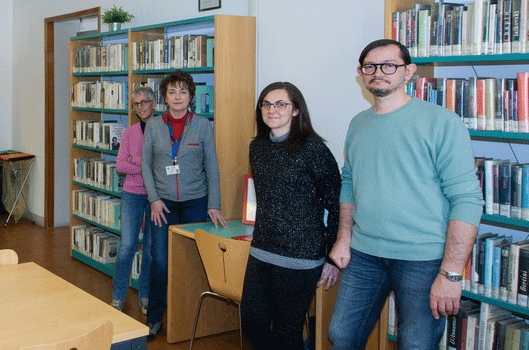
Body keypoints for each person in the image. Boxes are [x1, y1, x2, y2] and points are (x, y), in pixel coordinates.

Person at [327, 39, 484, 350]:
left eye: (389, 65)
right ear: (361, 73)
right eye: (370, 66)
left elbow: (467, 200)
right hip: (364, 253)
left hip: (422, 258)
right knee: (341, 335)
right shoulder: (358, 124)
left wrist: (451, 274)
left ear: (408, 72)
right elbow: (349, 184)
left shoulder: (442, 122)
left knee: (416, 344)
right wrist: (344, 237)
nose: (379, 72)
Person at [240, 82, 341, 350]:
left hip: (300, 256)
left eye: (280, 104)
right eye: (266, 104)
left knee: (288, 331)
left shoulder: (313, 149)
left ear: (296, 110)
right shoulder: (258, 148)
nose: (272, 110)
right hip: (262, 249)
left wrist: (332, 255)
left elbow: (337, 201)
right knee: (252, 322)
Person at [141, 70, 227, 341]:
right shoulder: (154, 125)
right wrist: (153, 199)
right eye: (171, 92)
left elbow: (212, 166)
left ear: (191, 96)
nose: (177, 97)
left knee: (193, 263)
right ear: (164, 97)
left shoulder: (202, 125)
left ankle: (189, 317)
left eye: (183, 92)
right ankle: (154, 318)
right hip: (162, 205)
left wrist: (214, 203)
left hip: (195, 203)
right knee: (160, 263)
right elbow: (145, 165)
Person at [110, 86, 155, 314]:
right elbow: (120, 165)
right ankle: (118, 296)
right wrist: (144, 164)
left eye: (144, 102)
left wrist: (134, 161)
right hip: (132, 194)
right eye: (136, 104)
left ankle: (145, 295)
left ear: (154, 104)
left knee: (149, 249)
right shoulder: (129, 133)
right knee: (127, 246)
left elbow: (164, 164)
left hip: (157, 197)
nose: (140, 107)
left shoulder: (162, 131)